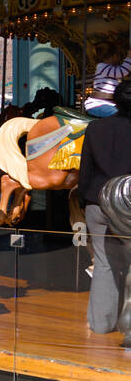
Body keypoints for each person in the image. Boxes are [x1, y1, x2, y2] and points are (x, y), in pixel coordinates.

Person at [76, 80, 131, 340]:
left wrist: (85, 200)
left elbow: (85, 170)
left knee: (105, 264)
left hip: (98, 201)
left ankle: (101, 323)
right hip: (127, 203)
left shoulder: (96, 128)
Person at [85, 41, 131, 117]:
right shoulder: (102, 67)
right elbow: (122, 71)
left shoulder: (110, 70)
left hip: (107, 104)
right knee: (122, 117)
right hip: (97, 104)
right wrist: (129, 58)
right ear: (114, 56)